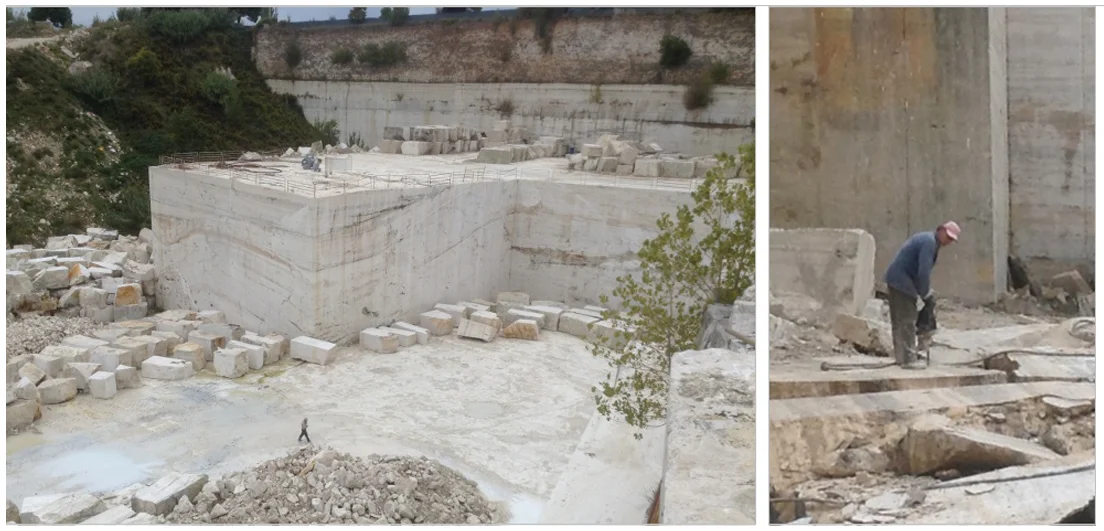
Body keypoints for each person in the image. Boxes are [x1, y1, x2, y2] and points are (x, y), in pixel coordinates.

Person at [883, 221, 960, 369]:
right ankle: (907, 359)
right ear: (941, 230)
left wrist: (922, 292)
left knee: (900, 320)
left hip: (899, 280)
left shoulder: (927, 239)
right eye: (948, 237)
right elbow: (923, 272)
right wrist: (925, 293)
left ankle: (903, 357)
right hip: (901, 281)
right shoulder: (929, 243)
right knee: (906, 319)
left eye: (952, 240)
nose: (948, 241)